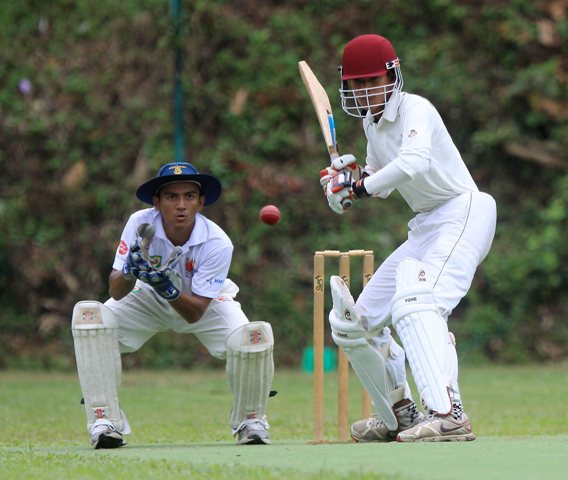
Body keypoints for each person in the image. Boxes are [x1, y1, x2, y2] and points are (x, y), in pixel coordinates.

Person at [320, 34, 496, 442]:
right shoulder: (371, 123)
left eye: (372, 82)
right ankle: (400, 413)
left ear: (392, 76)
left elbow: (413, 163)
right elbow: (379, 181)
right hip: (426, 223)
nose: (365, 92)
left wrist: (360, 186)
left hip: (464, 211)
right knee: (354, 324)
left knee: (420, 303)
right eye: (357, 85)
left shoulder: (417, 108)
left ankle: (450, 415)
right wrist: (345, 186)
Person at [72, 162, 275, 448]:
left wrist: (166, 287)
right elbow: (116, 291)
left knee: (252, 338)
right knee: (90, 319)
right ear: (157, 202)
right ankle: (104, 421)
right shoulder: (140, 223)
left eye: (189, 196)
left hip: (204, 303)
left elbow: (195, 313)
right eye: (171, 197)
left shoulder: (218, 243)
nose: (181, 205)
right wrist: (129, 272)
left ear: (201, 202)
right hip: (147, 298)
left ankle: (250, 420)